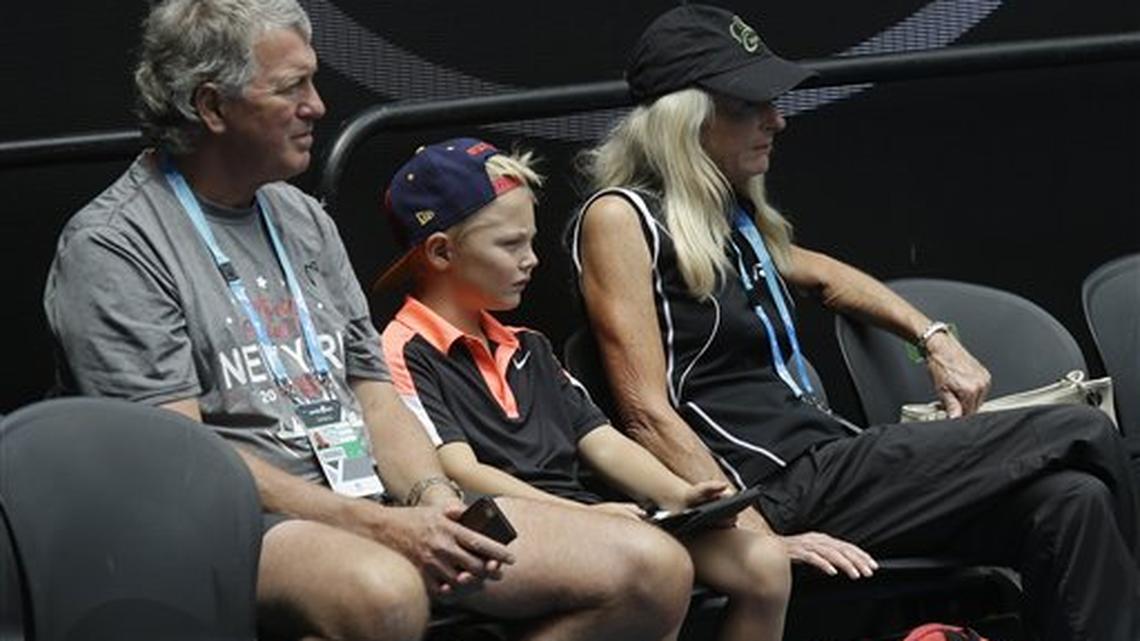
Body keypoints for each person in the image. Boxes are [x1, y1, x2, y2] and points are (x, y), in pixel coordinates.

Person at [43, 1, 693, 639]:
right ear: (212, 107)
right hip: (237, 523)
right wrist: (380, 528)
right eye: (291, 86)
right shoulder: (114, 245)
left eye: (313, 79)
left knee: (654, 568)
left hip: (369, 501)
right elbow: (182, 459)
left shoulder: (301, 219)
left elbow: (374, 395)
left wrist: (430, 498)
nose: (318, 106)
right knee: (382, 593)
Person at [572, 4, 1140, 640]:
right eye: (750, 106)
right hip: (775, 483)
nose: (777, 120)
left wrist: (935, 339)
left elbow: (830, 278)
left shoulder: (724, 220)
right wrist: (753, 535)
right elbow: (644, 411)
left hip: (831, 464)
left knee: (1072, 504)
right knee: (1082, 427)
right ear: (686, 119)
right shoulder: (620, 218)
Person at [376, 137, 792, 641]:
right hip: (499, 526)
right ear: (441, 251)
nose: (531, 260)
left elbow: (600, 438)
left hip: (587, 513)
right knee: (656, 568)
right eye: (510, 245)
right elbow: (459, 471)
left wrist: (679, 495)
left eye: (530, 241)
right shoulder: (400, 348)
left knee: (764, 562)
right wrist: (587, 516)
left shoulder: (531, 346)